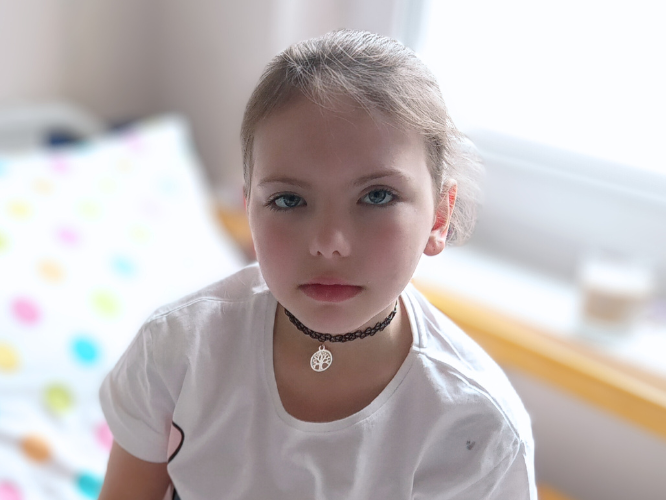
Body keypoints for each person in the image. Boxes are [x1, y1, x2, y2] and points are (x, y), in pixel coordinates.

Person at [98, 29, 536, 499]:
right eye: (289, 200)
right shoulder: (175, 350)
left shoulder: (478, 430)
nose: (329, 244)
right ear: (249, 211)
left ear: (440, 217)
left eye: (377, 196)